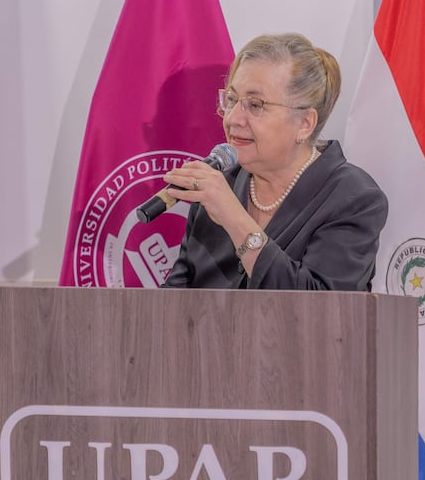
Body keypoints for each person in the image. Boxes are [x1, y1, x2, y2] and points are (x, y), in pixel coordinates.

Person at [160, 33, 387, 291]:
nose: (233, 119)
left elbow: (320, 310)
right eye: (232, 100)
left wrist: (233, 217)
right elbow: (175, 301)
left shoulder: (353, 197)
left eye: (255, 105)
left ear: (304, 123)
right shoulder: (221, 185)